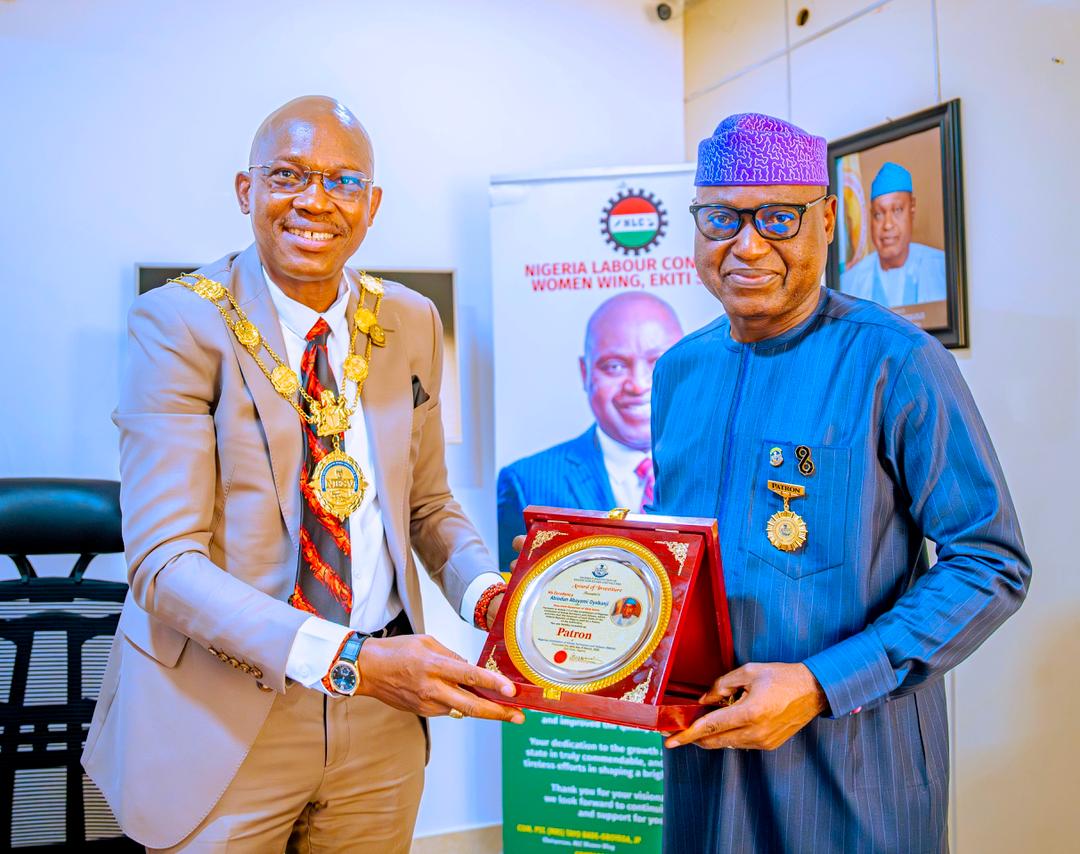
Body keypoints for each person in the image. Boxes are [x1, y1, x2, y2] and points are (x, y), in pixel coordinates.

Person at [82, 96, 522, 853]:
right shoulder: (179, 323)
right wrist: (349, 660)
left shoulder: (410, 319)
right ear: (246, 190)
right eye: (288, 175)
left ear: (372, 205)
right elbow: (163, 563)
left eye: (343, 181)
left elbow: (426, 506)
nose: (316, 201)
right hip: (224, 704)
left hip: (381, 720)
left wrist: (488, 596)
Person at [655, 113, 1029, 852]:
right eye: (721, 218)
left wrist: (822, 683)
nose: (747, 245)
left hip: (851, 761)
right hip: (706, 756)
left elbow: (991, 561)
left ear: (826, 223)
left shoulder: (897, 362)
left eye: (779, 218)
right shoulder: (678, 371)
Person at [496, 292, 682, 568]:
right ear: (585, 373)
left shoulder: (724, 468)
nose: (639, 384)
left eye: (658, 363)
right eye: (615, 366)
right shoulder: (526, 483)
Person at [841, 161, 947, 306]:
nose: (888, 225)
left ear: (912, 208)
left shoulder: (942, 269)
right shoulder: (848, 283)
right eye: (878, 214)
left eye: (897, 210)